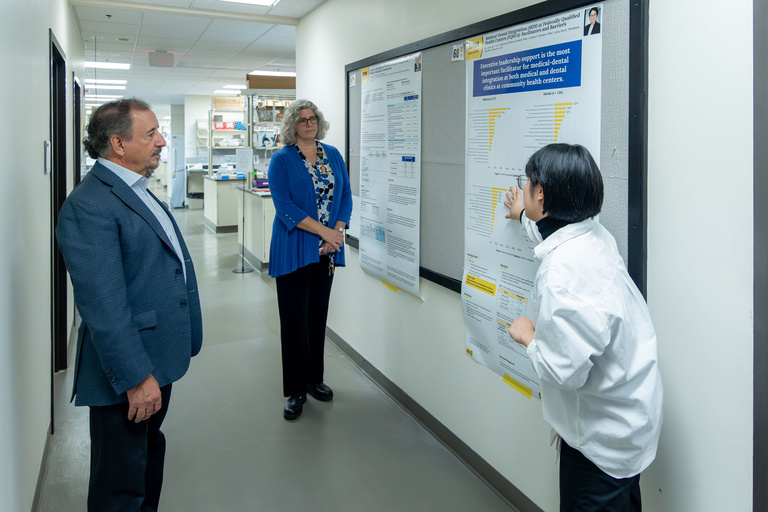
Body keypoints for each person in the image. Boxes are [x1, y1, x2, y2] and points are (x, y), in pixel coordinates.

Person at [56, 98, 203, 511]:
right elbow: (104, 306)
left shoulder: (135, 188)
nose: (161, 142)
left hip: (156, 358)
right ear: (118, 144)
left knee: (146, 455)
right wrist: (138, 378)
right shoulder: (89, 206)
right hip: (130, 373)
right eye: (151, 134)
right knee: (119, 485)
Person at [504, 144, 662, 511]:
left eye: (526, 185)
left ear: (540, 193)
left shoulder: (564, 275)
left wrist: (527, 336)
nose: (523, 188)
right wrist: (522, 216)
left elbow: (564, 371)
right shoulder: (591, 234)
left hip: (602, 445)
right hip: (629, 421)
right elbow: (551, 235)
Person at [267, 99, 353, 421]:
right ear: (292, 126)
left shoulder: (332, 155)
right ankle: (295, 391)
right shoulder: (282, 160)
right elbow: (285, 207)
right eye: (302, 120)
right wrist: (326, 233)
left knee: (317, 317)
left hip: (326, 252)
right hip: (294, 251)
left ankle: (315, 379)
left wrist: (338, 231)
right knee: (294, 321)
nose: (308, 123)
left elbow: (344, 195)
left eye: (312, 118)